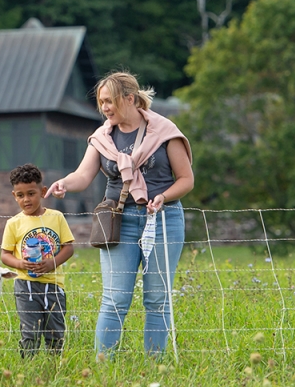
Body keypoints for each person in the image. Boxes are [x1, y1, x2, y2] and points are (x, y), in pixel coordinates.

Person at [45, 72, 194, 358]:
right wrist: (65, 183)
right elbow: (83, 175)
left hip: (163, 220)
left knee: (157, 298)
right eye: (101, 102)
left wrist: (164, 196)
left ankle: (156, 365)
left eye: (109, 101)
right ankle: (104, 366)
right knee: (114, 299)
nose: (105, 108)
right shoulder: (102, 137)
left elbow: (186, 179)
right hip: (118, 221)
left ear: (130, 98)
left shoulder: (165, 131)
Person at [1, 163, 75, 357]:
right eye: (20, 195)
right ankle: (28, 368)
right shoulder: (13, 223)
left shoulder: (56, 217)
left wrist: (52, 263)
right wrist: (19, 264)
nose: (26, 199)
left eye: (31, 193)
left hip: (53, 285)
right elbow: (5, 255)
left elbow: (69, 247)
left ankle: (54, 366)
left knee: (55, 332)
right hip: (25, 285)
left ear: (43, 192)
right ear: (14, 196)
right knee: (29, 332)